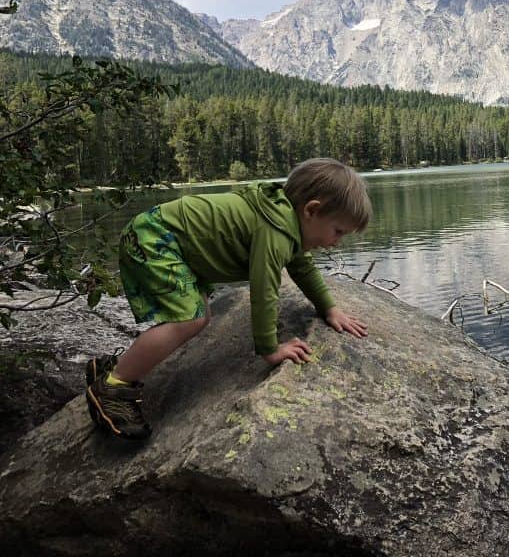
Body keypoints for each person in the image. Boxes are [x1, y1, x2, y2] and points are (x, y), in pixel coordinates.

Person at [85, 158, 371, 440]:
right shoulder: (275, 231)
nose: (337, 242)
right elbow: (264, 290)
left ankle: (117, 367)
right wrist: (270, 349)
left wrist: (329, 308)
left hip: (160, 235)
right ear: (312, 210)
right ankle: (114, 387)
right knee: (190, 319)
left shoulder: (281, 217)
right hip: (155, 239)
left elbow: (302, 266)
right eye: (338, 231)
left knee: (200, 316)